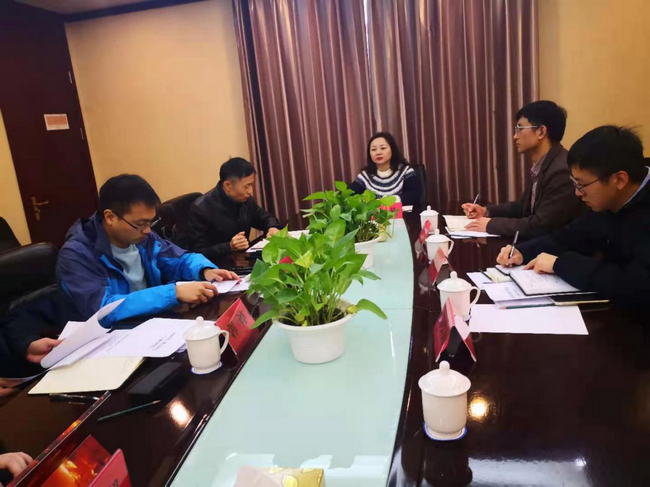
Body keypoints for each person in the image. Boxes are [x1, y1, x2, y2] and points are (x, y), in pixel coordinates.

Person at [56, 174, 238, 328]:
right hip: (110, 339)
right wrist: (173, 293)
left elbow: (179, 259)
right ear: (110, 217)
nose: (148, 230)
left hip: (150, 325)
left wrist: (205, 270)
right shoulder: (77, 255)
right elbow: (103, 310)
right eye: (141, 224)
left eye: (151, 222)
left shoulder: (143, 238)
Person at [496, 126, 650, 304]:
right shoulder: (608, 201)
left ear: (619, 180)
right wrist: (521, 252)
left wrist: (561, 264)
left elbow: (636, 285)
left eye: (581, 185)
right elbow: (568, 237)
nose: (577, 193)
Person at [462, 100, 582, 239]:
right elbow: (522, 207)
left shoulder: (561, 170)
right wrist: (486, 211)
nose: (515, 136)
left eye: (520, 128)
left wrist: (490, 224)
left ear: (541, 132)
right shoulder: (545, 163)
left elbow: (541, 225)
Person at [188, 157, 281, 261]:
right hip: (218, 266)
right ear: (228, 185)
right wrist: (229, 246)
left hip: (242, 260)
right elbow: (197, 253)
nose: (250, 191)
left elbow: (266, 219)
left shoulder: (245, 200)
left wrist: (273, 228)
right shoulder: (200, 209)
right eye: (246, 186)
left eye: (251, 185)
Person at [349, 132, 421, 205]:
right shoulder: (365, 176)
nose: (378, 153)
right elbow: (349, 196)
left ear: (392, 150)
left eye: (383, 148)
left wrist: (388, 200)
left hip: (402, 212)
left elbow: (414, 196)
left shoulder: (405, 171)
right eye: (374, 149)